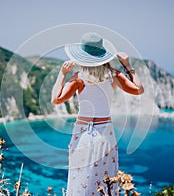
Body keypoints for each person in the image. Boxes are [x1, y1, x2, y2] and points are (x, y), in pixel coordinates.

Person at [51, 32, 144, 196]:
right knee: (105, 177)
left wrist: (62, 74)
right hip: (105, 133)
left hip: (83, 133)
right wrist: (128, 65)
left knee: (81, 178)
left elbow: (56, 99)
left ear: (82, 56)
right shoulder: (114, 75)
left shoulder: (78, 78)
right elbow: (138, 89)